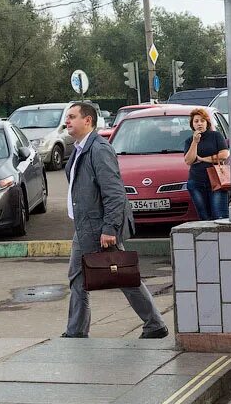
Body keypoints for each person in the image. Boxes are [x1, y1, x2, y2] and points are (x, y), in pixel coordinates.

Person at [62, 102, 167, 339]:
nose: (66, 121)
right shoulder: (80, 149)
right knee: (81, 277)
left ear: (87, 120)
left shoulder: (98, 149)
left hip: (99, 226)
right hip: (86, 225)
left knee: (122, 276)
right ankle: (76, 331)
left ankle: (154, 324)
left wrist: (109, 228)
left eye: (71, 117)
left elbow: (115, 193)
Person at [183, 107, 231, 220]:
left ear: (207, 123)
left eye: (202, 121)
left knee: (219, 215)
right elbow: (189, 160)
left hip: (216, 181)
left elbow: (224, 155)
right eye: (196, 121)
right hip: (196, 181)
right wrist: (195, 142)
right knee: (204, 217)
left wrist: (204, 159)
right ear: (192, 124)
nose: (199, 124)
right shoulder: (189, 141)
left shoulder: (216, 136)